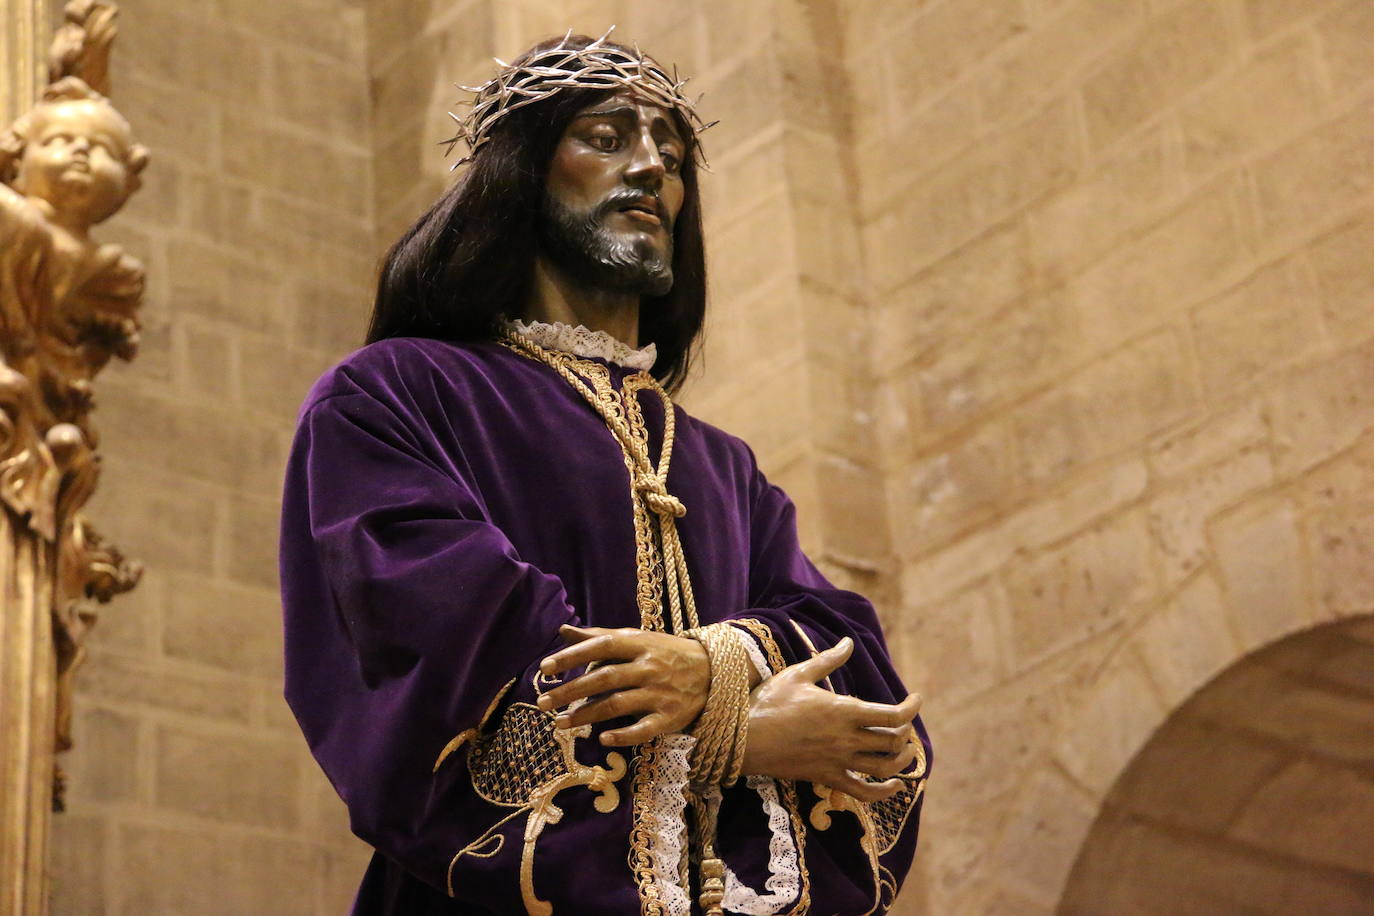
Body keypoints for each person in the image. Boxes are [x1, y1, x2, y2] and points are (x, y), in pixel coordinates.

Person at [280, 30, 931, 916]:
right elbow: (443, 644)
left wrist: (716, 672)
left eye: (669, 152)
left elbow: (857, 666)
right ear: (521, 174)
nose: (651, 168)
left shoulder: (720, 464)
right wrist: (732, 736)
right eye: (606, 135)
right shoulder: (396, 394)